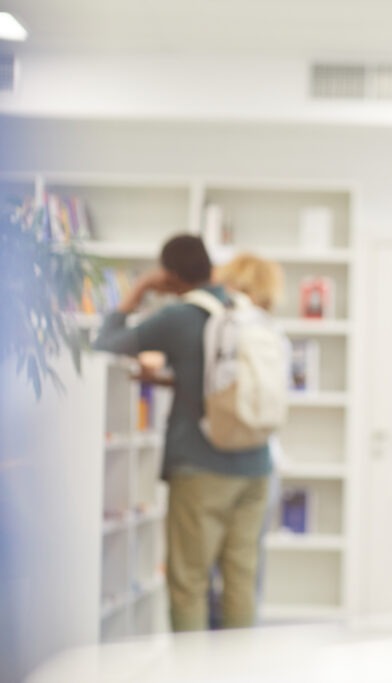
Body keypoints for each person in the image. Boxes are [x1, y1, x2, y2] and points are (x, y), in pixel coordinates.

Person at [93, 234, 272, 631]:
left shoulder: (180, 316)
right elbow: (220, 382)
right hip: (256, 466)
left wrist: (137, 290)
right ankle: (240, 671)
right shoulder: (241, 308)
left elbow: (105, 345)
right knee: (240, 580)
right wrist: (174, 381)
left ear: (170, 276)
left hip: (201, 467)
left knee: (189, 582)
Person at [205, 251, 288, 629]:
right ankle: (242, 653)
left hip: (218, 453)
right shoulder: (275, 332)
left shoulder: (225, 323)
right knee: (248, 567)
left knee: (202, 570)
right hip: (266, 456)